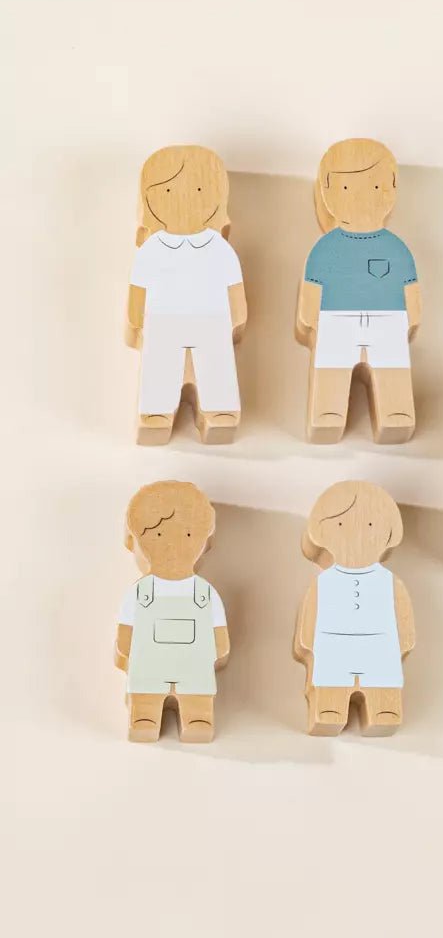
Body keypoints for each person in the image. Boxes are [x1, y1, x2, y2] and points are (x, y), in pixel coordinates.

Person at [296, 139, 422, 443]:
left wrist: (412, 316)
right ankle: (328, 411)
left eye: (375, 187)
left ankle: (396, 411)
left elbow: (410, 286)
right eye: (346, 188)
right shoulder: (326, 247)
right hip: (336, 318)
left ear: (391, 189)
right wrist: (309, 317)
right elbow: (312, 286)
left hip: (388, 319)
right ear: (327, 193)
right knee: (333, 366)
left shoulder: (396, 247)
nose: (362, 196)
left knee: (391, 365)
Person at [126, 145, 248, 444]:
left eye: (199, 190)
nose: (185, 200)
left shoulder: (220, 248)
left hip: (213, 320)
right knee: (160, 364)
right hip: (163, 321)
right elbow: (138, 289)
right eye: (167, 192)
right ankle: (155, 412)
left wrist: (237, 316)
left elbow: (234, 288)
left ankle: (220, 409)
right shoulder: (152, 249)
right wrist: (136, 318)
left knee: (216, 362)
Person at [293, 480, 415, 735]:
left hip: (380, 649)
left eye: (370, 526)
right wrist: (308, 643)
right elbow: (310, 618)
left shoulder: (390, 583)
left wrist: (404, 643)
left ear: (389, 534)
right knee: (331, 690)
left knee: (381, 687)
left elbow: (403, 618)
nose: (356, 535)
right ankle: (330, 707)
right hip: (334, 648)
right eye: (340, 525)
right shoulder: (325, 582)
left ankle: (383, 709)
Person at [115, 481, 230, 742]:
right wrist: (125, 646)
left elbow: (218, 631)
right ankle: (144, 715)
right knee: (146, 690)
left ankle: (197, 717)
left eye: (188, 535)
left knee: (196, 692)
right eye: (158, 535)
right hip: (149, 665)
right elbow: (126, 630)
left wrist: (219, 645)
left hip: (194, 666)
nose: (173, 544)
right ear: (136, 540)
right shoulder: (141, 591)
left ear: (203, 539)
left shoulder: (204, 592)